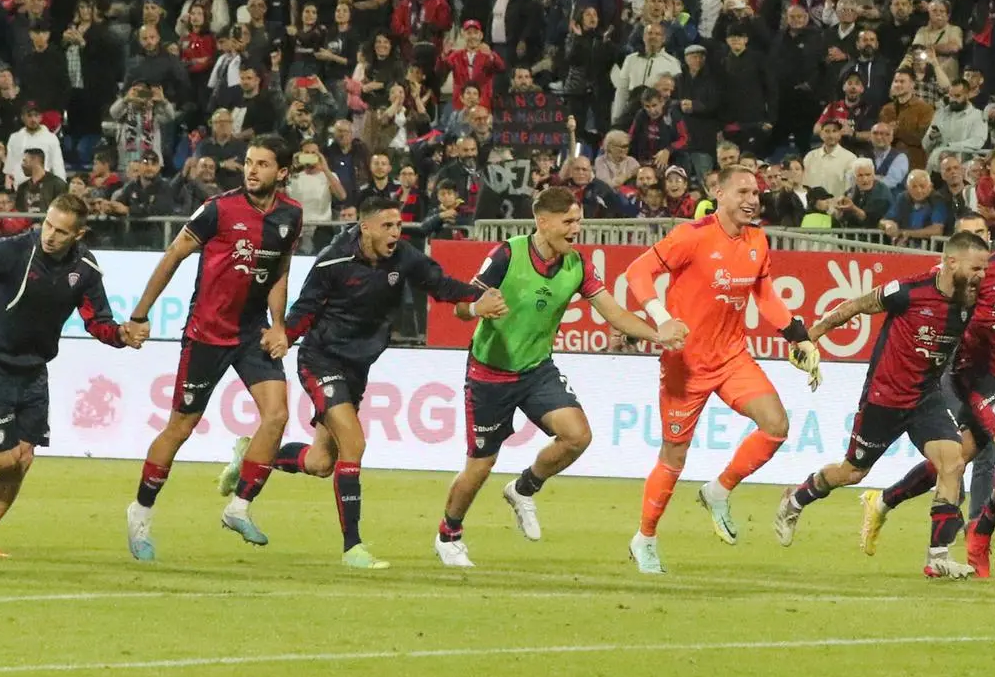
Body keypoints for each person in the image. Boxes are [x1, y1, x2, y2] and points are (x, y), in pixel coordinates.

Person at [234, 196, 508, 568]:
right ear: (365, 227)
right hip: (320, 359)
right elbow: (305, 310)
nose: (396, 233)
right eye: (387, 226)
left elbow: (441, 286)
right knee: (354, 442)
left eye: (398, 226)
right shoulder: (334, 260)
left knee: (319, 462)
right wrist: (284, 334)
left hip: (356, 368)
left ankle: (254, 454)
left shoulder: (404, 257)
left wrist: (480, 298)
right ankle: (353, 548)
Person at [435, 187, 686, 568]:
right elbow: (461, 309)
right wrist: (476, 308)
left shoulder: (577, 266)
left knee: (577, 435)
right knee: (480, 464)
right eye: (568, 221)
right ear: (543, 222)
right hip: (490, 374)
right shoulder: (507, 254)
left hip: (537, 369)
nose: (576, 228)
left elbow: (614, 312)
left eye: (579, 220)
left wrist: (657, 334)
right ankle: (448, 535)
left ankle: (523, 489)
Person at [621, 165, 824, 574]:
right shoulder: (691, 236)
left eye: (757, 193)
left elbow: (765, 294)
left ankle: (718, 490)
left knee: (776, 425)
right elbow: (637, 272)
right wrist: (661, 318)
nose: (753, 200)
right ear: (720, 193)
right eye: (744, 192)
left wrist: (798, 335)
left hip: (732, 357)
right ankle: (644, 538)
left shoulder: (757, 240)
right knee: (673, 456)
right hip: (685, 363)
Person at [867, 195, 995, 576]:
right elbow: (940, 297)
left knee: (957, 458)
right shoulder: (985, 269)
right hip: (971, 372)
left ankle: (884, 501)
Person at [123, 137, 304, 562]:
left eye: (262, 164)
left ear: (282, 173)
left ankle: (238, 507)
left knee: (277, 414)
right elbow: (173, 256)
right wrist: (139, 313)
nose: (251, 170)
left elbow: (279, 272)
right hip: (206, 333)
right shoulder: (218, 209)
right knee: (180, 428)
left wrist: (279, 324)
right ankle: (140, 511)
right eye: (248, 162)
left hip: (251, 333)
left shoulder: (290, 216)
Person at [772, 232, 992, 579]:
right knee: (853, 472)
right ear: (951, 262)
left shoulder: (973, 297)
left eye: (985, 267)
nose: (982, 274)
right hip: (884, 397)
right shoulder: (909, 290)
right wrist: (809, 338)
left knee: (953, 462)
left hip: (926, 398)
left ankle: (937, 557)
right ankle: (795, 500)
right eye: (977, 267)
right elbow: (853, 307)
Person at [0, 195, 142, 555]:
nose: (50, 236)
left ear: (78, 234)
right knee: (7, 455)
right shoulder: (13, 250)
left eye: (61, 231)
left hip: (34, 370)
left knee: (24, 457)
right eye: (48, 225)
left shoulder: (85, 268)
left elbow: (97, 321)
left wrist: (121, 335)